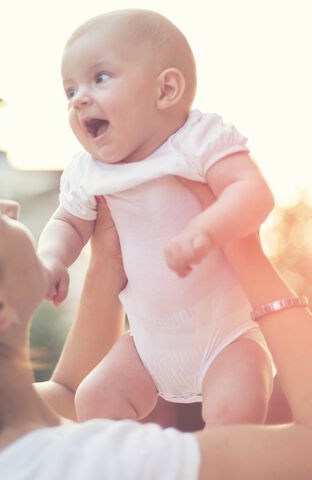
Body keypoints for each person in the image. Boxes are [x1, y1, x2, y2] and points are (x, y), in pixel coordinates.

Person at [0, 162, 311, 479]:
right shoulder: (104, 464)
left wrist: (105, 262)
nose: (11, 207)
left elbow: (65, 394)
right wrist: (244, 250)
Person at [38, 9, 275, 426]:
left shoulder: (196, 140)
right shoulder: (89, 170)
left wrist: (208, 227)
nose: (79, 99)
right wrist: (53, 259)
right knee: (95, 399)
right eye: (69, 90)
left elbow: (253, 193)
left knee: (234, 412)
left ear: (165, 89)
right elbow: (68, 223)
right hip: (148, 344)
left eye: (100, 78)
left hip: (227, 336)